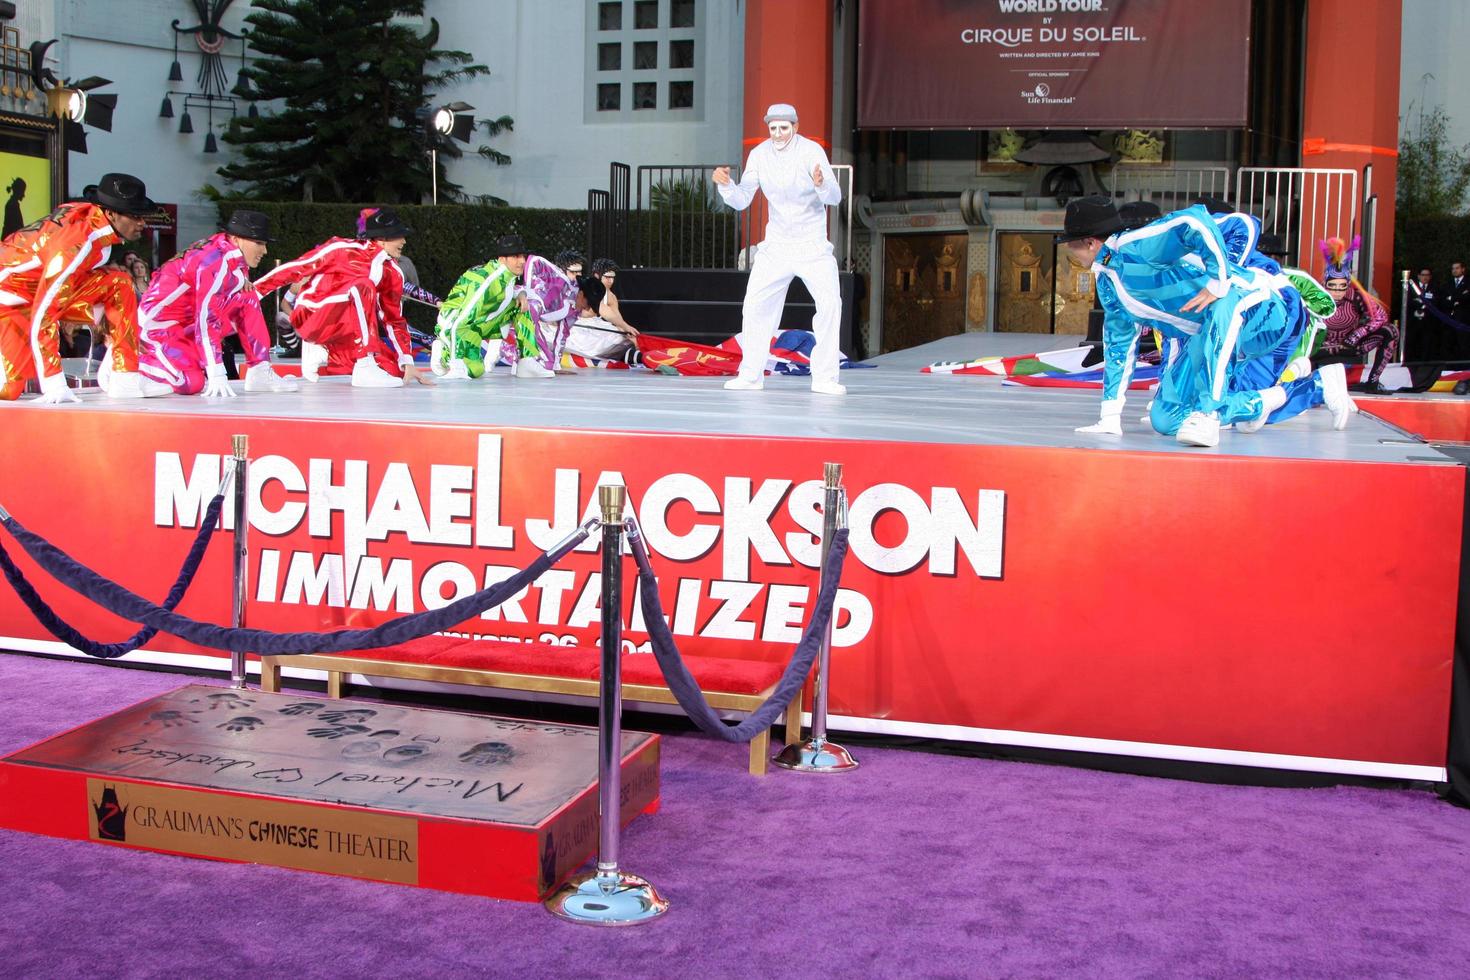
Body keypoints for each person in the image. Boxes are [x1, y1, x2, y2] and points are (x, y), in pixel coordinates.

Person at [1063, 196, 1355, 447]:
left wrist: (1218, 280)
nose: (1067, 251)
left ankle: (1209, 414)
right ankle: (1313, 387)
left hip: (1260, 309)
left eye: (1069, 244)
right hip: (1206, 331)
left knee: (1220, 307)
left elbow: (1195, 221)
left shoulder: (1135, 244)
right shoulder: (1107, 283)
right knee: (1166, 420)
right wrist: (1110, 416)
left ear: (1089, 242)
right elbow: (1119, 345)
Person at [713, 102, 846, 395]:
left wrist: (822, 185)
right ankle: (750, 375)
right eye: (772, 128)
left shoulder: (811, 151)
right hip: (776, 246)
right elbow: (742, 199)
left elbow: (835, 197)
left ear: (795, 127)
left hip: (811, 244)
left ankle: (825, 378)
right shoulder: (759, 155)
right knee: (755, 306)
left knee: (830, 305)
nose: (777, 134)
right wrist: (726, 185)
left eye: (783, 128)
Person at [0, 172, 168, 403]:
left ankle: (125, 378)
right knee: (10, 389)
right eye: (135, 216)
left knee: (119, 282)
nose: (142, 223)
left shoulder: (94, 220)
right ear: (110, 213)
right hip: (10, 299)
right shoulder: (76, 244)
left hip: (36, 289)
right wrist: (54, 381)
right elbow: (44, 312)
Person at [253, 207, 431, 388]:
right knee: (363, 286)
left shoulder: (392, 273)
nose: (404, 241)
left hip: (342, 331)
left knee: (394, 372)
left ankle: (325, 351)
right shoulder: (343, 249)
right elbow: (297, 267)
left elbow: (393, 319)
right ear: (382, 239)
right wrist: (253, 293)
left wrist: (407, 362)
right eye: (398, 236)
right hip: (310, 314)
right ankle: (363, 364)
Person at [135, 210, 297, 396]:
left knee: (248, 297)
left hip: (184, 323)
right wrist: (216, 371)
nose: (265, 251)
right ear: (237, 239)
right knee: (191, 383)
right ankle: (135, 364)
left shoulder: (230, 252)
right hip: (158, 329)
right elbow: (206, 318)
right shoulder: (216, 262)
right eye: (259, 243)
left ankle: (259, 370)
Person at [430, 234, 538, 379]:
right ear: (502, 258)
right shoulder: (488, 280)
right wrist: (457, 364)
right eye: (516, 257)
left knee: (521, 306)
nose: (522, 261)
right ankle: (444, 352)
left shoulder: (504, 274)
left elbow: (507, 292)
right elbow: (462, 319)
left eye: (523, 256)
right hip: (454, 326)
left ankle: (527, 361)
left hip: (475, 324)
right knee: (475, 371)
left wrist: (521, 294)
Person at [1318, 237, 1399, 394]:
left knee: (1391, 331)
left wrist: (1357, 334)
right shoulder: (1316, 296)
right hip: (1320, 348)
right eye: (1332, 286)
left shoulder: (1356, 296)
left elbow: (1381, 316)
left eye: (1342, 286)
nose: (1337, 291)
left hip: (1350, 345)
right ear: (1325, 284)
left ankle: (1373, 382)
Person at [589, 258, 640, 337]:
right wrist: (626, 327)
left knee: (626, 338)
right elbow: (603, 310)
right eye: (607, 277)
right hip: (578, 330)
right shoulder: (587, 289)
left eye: (612, 277)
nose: (611, 281)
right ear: (596, 275)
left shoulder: (611, 296)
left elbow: (618, 319)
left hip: (598, 331)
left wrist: (626, 332)